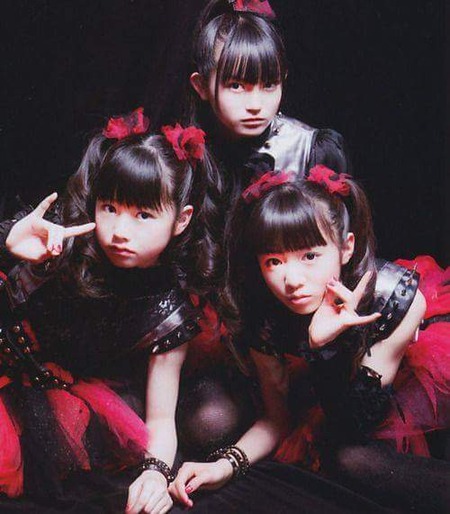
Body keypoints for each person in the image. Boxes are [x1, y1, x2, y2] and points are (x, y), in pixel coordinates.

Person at [0, 107, 215, 514]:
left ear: (182, 220)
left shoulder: (170, 310)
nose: (119, 231)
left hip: (48, 396)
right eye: (110, 208)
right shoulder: (63, 239)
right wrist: (21, 258)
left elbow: (161, 418)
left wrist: (156, 473)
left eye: (143, 215)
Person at [201, 166, 448, 512]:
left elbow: (359, 423)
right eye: (274, 261)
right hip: (339, 401)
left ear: (346, 248)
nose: (292, 280)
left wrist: (326, 349)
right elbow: (276, 419)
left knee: (350, 457)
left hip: (406, 390)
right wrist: (224, 465)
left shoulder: (393, 297)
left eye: (310, 256)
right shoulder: (264, 312)